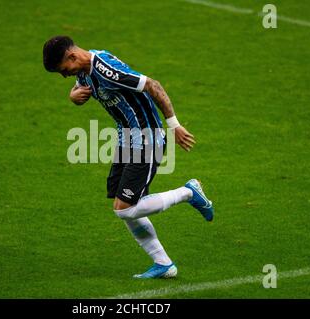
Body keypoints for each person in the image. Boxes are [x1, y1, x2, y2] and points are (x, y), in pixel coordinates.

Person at [43, 36, 214, 279]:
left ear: (72, 57)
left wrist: (174, 125)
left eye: (63, 70)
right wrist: (73, 98)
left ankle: (189, 192)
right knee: (120, 203)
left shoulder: (106, 70)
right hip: (126, 138)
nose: (64, 75)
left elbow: (152, 85)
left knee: (125, 208)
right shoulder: (83, 68)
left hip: (147, 137)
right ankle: (164, 264)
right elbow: (80, 89)